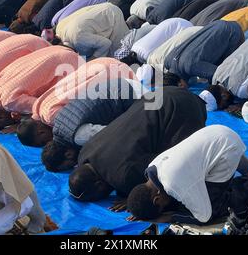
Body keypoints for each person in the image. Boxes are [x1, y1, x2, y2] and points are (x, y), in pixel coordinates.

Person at [68, 87, 207, 203]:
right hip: (159, 94)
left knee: (184, 158)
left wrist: (133, 197)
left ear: (99, 186)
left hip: (184, 108)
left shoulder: (123, 177)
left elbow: (166, 169)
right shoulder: (84, 152)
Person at [127, 125, 248, 223]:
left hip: (226, 149)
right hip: (217, 131)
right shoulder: (152, 166)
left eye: (162, 207)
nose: (165, 207)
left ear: (157, 200)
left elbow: (204, 217)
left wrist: (169, 217)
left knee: (215, 208)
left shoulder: (173, 183)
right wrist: (144, 212)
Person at [38, 78, 147, 172]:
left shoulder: (79, 136)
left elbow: (116, 133)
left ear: (68, 154)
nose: (73, 166)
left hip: (131, 93)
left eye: (69, 166)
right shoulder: (58, 123)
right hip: (118, 85)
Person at [0, 45, 82, 132]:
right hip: (55, 50)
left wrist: (21, 126)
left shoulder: (9, 102)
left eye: (1, 126)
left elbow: (42, 106)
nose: (5, 126)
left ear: (0, 118)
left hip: (66, 63)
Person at [164, 20, 244, 85]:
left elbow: (221, 75)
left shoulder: (191, 67)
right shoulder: (167, 61)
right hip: (216, 24)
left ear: (180, 85)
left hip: (232, 32)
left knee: (229, 70)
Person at [55, 3, 130, 58]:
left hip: (112, 16)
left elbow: (106, 44)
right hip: (105, 9)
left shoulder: (77, 39)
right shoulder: (64, 33)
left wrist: (93, 58)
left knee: (121, 53)